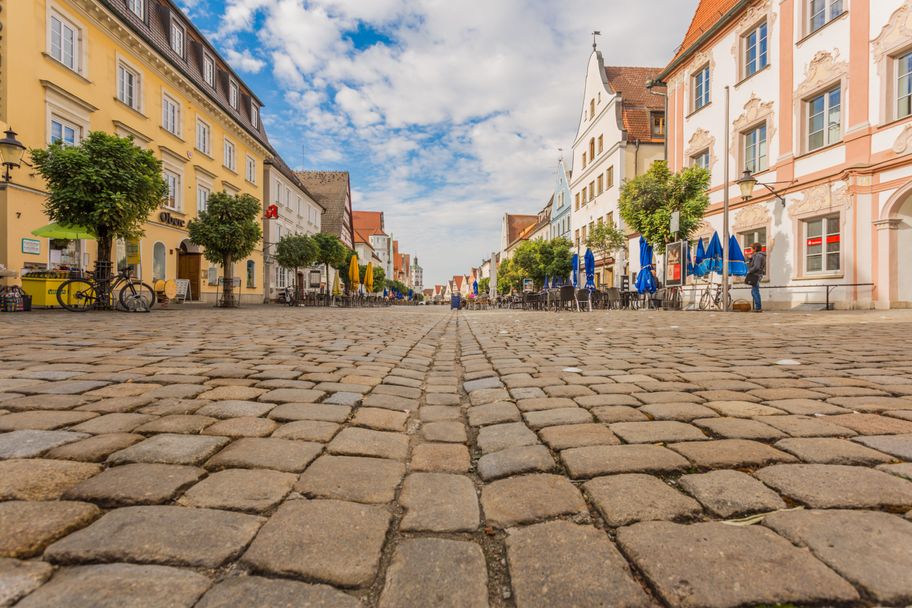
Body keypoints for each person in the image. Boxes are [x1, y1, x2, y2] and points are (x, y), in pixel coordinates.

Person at [746, 242, 766, 312]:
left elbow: (756, 266)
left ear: (755, 249)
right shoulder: (758, 255)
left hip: (755, 275)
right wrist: (751, 258)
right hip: (757, 274)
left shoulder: (758, 256)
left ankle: (758, 308)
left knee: (755, 291)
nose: (751, 250)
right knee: (754, 291)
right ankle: (758, 307)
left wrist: (749, 271)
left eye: (751, 248)